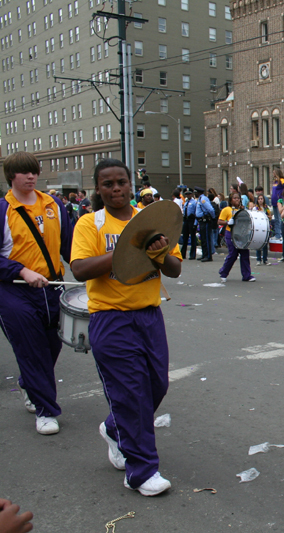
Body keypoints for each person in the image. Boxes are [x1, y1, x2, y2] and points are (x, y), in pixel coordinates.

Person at [71, 158, 182, 497]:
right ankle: (141, 471)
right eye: (108, 183)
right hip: (111, 319)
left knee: (155, 387)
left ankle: (113, 427)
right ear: (98, 188)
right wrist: (127, 249)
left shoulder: (149, 221)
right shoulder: (90, 224)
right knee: (131, 395)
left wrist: (160, 252)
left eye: (121, 181)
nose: (116, 188)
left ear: (131, 184)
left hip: (149, 317)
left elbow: (174, 269)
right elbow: (79, 269)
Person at [0, 152, 72, 435]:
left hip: (53, 287)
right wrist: (21, 271)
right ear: (11, 177)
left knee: (53, 345)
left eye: (34, 171)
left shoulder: (53, 204)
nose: (30, 177)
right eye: (23, 172)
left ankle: (29, 383)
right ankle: (46, 410)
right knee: (32, 349)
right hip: (15, 292)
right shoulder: (3, 209)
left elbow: (70, 246)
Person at [217, 192, 256, 282]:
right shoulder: (226, 209)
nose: (237, 200)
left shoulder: (242, 209)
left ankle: (246, 275)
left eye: (238, 198)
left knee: (245, 254)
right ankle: (223, 272)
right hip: (230, 233)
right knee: (233, 254)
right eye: (234, 198)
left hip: (241, 234)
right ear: (231, 200)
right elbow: (219, 221)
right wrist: (227, 222)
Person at [194, 187, 216, 262]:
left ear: (198, 192)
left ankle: (208, 256)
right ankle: (204, 254)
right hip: (201, 221)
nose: (195, 194)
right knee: (203, 239)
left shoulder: (203, 199)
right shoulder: (199, 199)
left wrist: (212, 218)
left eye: (195, 192)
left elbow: (210, 209)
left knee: (206, 239)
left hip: (205, 220)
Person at [271, 168, 284, 242]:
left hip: (279, 201)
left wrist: (283, 195)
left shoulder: (282, 180)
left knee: (280, 219)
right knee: (276, 219)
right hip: (274, 202)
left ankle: (280, 234)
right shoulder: (275, 181)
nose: (273, 173)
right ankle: (277, 234)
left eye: (274, 172)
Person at [251, 194, 271, 265]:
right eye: (259, 199)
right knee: (258, 243)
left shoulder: (267, 208)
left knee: (265, 244)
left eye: (261, 199)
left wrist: (268, 216)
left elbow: (270, 216)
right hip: (258, 227)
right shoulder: (255, 208)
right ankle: (258, 259)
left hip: (265, 227)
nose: (260, 200)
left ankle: (265, 259)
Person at [180, 190, 197, 260]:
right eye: (186, 194)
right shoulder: (186, 202)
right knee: (185, 237)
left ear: (191, 194)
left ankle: (192, 254)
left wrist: (195, 223)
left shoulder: (194, 202)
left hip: (191, 219)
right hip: (186, 220)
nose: (187, 195)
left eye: (189, 194)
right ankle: (183, 254)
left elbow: (196, 213)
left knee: (193, 237)